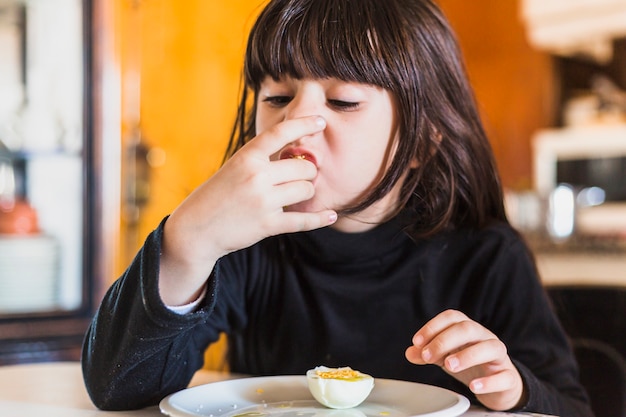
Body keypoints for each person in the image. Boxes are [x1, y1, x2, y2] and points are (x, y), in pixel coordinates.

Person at [81, 0, 593, 415]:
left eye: (343, 101)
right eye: (278, 97)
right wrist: (189, 239)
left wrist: (514, 390)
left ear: (422, 142)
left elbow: (570, 405)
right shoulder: (248, 243)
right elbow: (118, 391)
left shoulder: (487, 255)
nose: (297, 120)